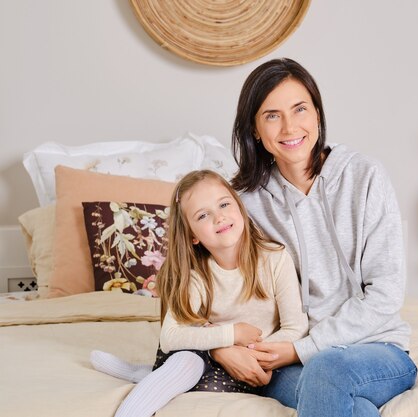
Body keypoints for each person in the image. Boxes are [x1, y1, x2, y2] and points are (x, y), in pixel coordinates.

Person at [210, 57, 418, 417]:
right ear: (255, 130)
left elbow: (385, 293)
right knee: (353, 407)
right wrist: (218, 347)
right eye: (272, 115)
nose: (290, 127)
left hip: (378, 348)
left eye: (300, 109)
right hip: (287, 359)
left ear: (317, 115)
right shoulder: (244, 204)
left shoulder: (364, 176)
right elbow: (205, 285)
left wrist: (304, 348)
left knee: (327, 371)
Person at [90, 169, 308, 417]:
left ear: (240, 207)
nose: (219, 217)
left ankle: (145, 375)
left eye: (224, 204)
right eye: (203, 215)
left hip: (259, 357)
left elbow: (296, 327)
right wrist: (231, 336)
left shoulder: (275, 259)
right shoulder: (196, 273)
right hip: (201, 352)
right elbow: (171, 337)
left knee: (199, 383)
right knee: (187, 362)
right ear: (192, 235)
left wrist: (248, 355)